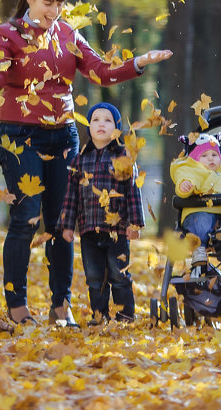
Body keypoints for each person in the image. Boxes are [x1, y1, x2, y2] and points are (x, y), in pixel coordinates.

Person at [0, 0, 172, 327]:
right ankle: (17, 306)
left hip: (65, 135)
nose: (53, 10)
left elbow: (101, 72)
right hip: (21, 136)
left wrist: (139, 64)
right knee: (26, 218)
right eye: (47, 2)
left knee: (62, 222)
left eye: (58, 4)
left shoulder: (69, 34)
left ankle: (61, 306)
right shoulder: (7, 34)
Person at [54, 102, 144, 325]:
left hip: (117, 231)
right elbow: (71, 196)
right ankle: (99, 316)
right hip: (88, 230)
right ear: (89, 127)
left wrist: (135, 224)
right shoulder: (79, 160)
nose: (101, 124)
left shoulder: (124, 157)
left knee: (119, 275)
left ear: (116, 128)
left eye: (107, 120)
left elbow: (132, 191)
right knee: (95, 278)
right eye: (95, 120)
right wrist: (67, 225)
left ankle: (125, 316)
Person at [170, 133, 221, 265]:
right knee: (200, 222)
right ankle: (199, 249)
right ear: (195, 159)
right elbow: (186, 177)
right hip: (200, 211)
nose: (211, 159)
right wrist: (185, 185)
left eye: (214, 155)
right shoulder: (193, 171)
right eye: (204, 156)